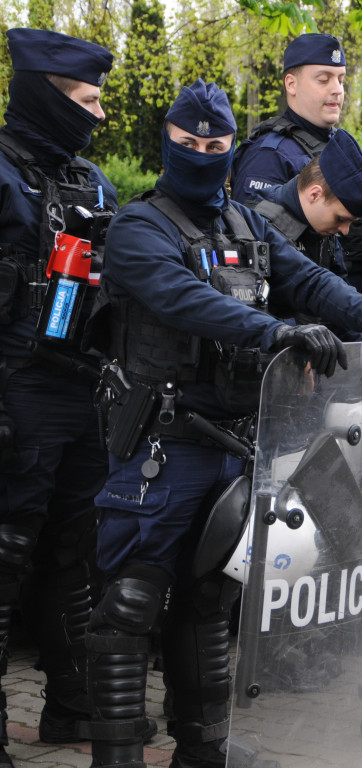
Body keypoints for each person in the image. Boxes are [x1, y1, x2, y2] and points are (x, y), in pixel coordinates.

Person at [83, 79, 362, 768]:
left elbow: (308, 279)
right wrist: (277, 335)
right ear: (167, 142)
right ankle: (115, 754)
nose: (203, 155)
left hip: (237, 444)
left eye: (216, 145)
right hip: (163, 443)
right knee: (132, 602)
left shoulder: (244, 221)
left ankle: (201, 749)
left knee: (209, 600)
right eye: (189, 144)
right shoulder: (140, 226)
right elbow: (181, 299)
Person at [0, 28, 122, 766]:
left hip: (82, 389)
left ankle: (71, 705)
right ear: (44, 96)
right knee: (7, 552)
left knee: (78, 553)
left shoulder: (93, 182)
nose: (99, 114)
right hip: (16, 390)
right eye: (85, 99)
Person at [247, 128, 362, 280]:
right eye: (340, 219)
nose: (345, 230)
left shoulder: (322, 229)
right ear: (315, 194)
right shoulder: (258, 226)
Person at [230, 33, 346, 202]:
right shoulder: (268, 157)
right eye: (323, 80)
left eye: (341, 80)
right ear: (291, 84)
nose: (337, 89)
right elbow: (254, 226)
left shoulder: (340, 146)